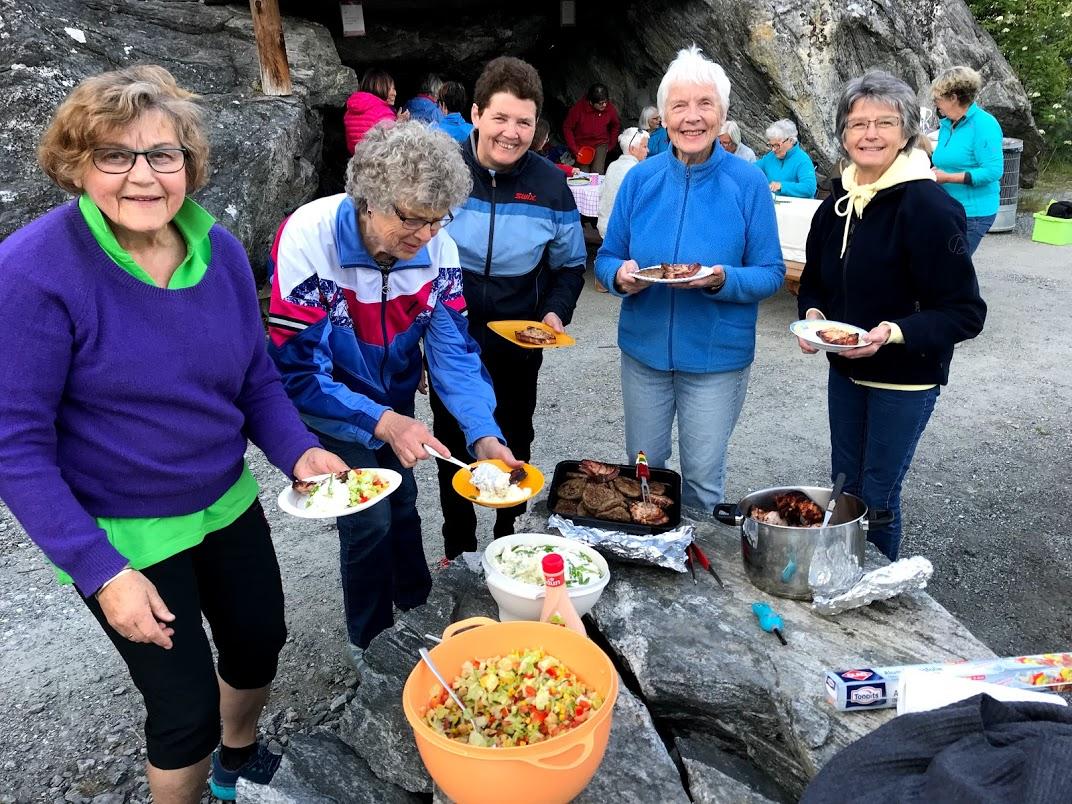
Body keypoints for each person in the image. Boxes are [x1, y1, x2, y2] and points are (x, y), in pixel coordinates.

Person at [0, 65, 348, 803]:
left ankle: (238, 759)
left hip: (225, 498)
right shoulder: (33, 272)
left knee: (258, 642)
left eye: (163, 154)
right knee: (184, 712)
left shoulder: (219, 251)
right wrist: (100, 571)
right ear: (75, 165)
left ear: (188, 162)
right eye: (114, 155)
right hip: (126, 529)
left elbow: (254, 378)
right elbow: (15, 446)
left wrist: (299, 450)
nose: (143, 175)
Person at [267, 120, 518, 664]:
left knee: (403, 500)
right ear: (368, 198)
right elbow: (298, 372)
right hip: (333, 404)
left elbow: (454, 353)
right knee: (369, 519)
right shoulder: (307, 237)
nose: (426, 236)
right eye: (411, 219)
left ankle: (419, 608)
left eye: (438, 219)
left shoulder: (438, 246)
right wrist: (382, 421)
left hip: (396, 396)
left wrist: (483, 433)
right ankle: (369, 642)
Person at [796, 69, 986, 560]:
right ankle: (841, 574)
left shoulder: (929, 206)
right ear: (843, 135)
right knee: (844, 485)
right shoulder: (835, 205)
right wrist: (813, 315)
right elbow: (814, 281)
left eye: (885, 122)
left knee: (878, 497)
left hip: (904, 379)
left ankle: (877, 592)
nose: (870, 134)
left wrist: (893, 332)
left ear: (906, 134)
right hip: (845, 372)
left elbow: (965, 312)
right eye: (858, 124)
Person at [594, 45, 784, 512]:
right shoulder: (641, 179)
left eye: (705, 104)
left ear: (723, 114)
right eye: (679, 105)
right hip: (644, 354)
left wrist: (722, 280)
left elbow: (771, 273)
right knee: (644, 474)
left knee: (701, 482)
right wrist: (620, 276)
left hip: (716, 360)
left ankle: (700, 559)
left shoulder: (748, 183)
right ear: (664, 116)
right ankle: (650, 552)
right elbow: (607, 256)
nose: (692, 117)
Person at [432, 56, 586, 558]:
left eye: (524, 122)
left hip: (519, 337)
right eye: (500, 117)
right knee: (451, 437)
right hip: (450, 333)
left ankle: (508, 539)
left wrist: (555, 313)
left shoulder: (551, 185)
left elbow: (570, 266)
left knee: (516, 433)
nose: (512, 132)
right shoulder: (441, 171)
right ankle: (458, 546)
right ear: (476, 114)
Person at [930, 65, 1004, 255]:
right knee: (937, 263)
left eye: (938, 98)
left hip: (973, 214)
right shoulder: (947, 124)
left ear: (953, 98)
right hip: (948, 208)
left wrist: (948, 178)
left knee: (953, 266)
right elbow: (949, 161)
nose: (936, 103)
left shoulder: (984, 124)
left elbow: (993, 171)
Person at [597, 126, 649, 238]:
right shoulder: (637, 170)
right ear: (632, 149)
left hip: (605, 226)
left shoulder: (613, 165)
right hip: (624, 232)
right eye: (644, 146)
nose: (648, 150)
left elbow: (601, 193)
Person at [563, 82, 621, 173]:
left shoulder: (609, 108)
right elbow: (567, 128)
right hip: (582, 145)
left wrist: (611, 145)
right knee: (583, 173)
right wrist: (574, 149)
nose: (604, 105)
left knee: (597, 171)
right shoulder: (578, 109)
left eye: (606, 102)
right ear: (591, 102)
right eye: (601, 103)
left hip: (601, 143)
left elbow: (616, 125)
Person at [343, 68, 398, 154]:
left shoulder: (350, 111)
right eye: (392, 88)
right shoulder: (384, 112)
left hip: (356, 158)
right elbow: (392, 142)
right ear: (380, 87)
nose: (395, 93)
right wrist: (399, 123)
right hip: (378, 159)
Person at [756, 119, 817, 197]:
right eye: (771, 145)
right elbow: (752, 169)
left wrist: (782, 186)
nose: (773, 149)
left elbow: (809, 188)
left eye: (777, 145)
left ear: (791, 141)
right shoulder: (770, 156)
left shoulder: (803, 160)